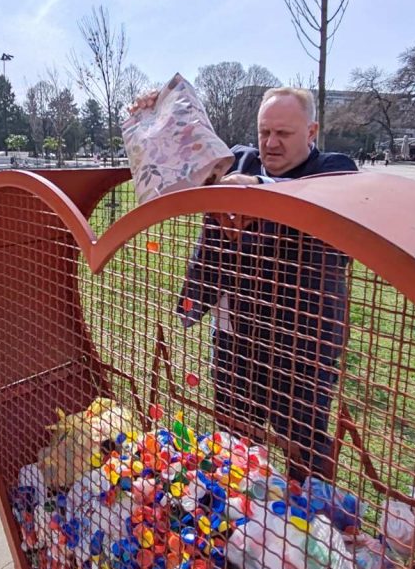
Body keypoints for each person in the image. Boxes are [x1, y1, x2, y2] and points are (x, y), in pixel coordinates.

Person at [131, 86, 357, 480]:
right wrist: (157, 113)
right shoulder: (240, 160)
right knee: (233, 442)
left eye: (283, 134)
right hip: (238, 338)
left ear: (311, 132)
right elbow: (175, 160)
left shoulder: (335, 170)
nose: (270, 143)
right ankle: (238, 520)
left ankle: (310, 522)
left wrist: (261, 191)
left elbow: (327, 202)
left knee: (303, 446)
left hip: (302, 345)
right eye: (264, 132)